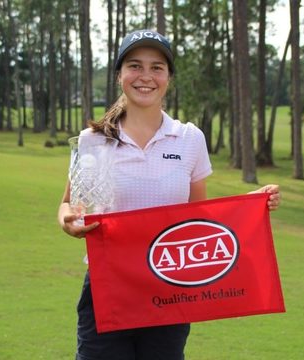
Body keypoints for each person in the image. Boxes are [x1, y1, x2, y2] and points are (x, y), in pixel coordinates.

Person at [58, 29, 281, 360]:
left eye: (156, 67)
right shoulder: (92, 140)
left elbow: (198, 218)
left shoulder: (189, 139)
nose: (145, 76)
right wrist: (68, 222)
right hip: (108, 286)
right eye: (135, 65)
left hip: (170, 288)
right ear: (119, 74)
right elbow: (66, 204)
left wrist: (250, 205)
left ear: (169, 78)